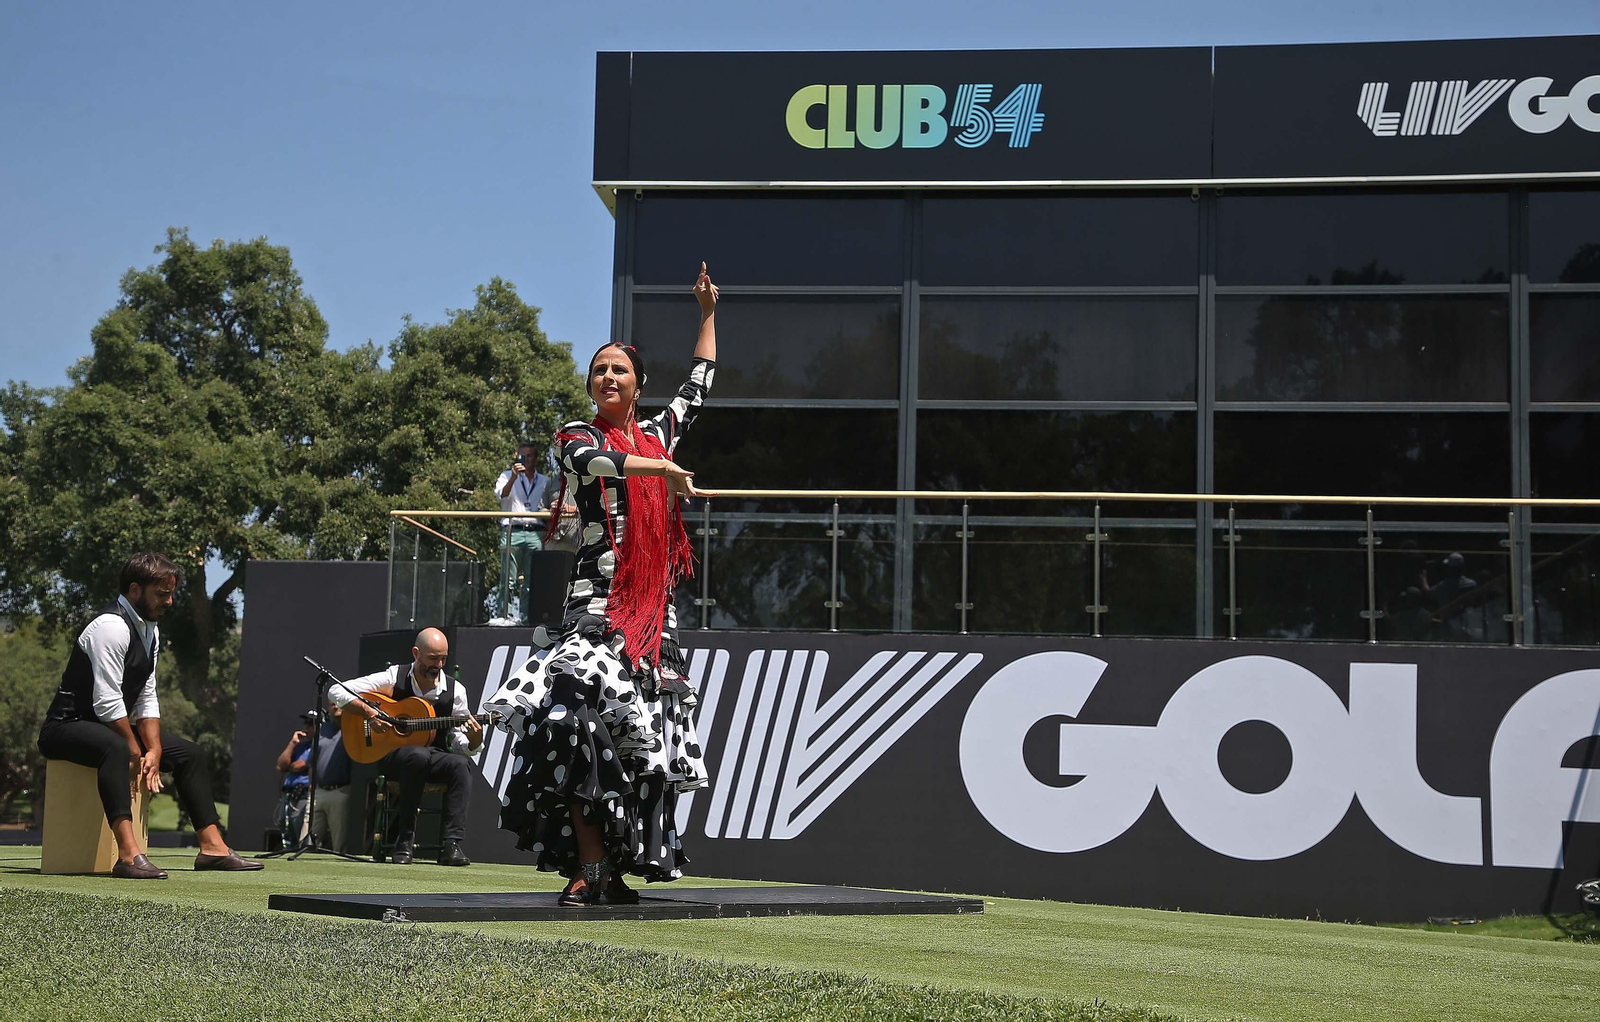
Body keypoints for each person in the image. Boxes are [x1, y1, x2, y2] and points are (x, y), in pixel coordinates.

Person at [486, 262, 718, 906]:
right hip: (594, 608)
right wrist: (665, 470)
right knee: (568, 712)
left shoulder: (658, 432)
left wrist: (706, 314)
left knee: (639, 739)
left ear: (638, 385)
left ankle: (608, 866)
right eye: (600, 369)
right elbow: (602, 464)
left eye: (620, 369)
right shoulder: (575, 438)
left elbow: (700, 382)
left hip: (652, 617)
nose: (608, 376)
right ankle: (587, 860)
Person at [37, 553, 263, 879]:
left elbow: (146, 695)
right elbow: (107, 702)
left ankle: (213, 848)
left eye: (171, 594)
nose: (169, 601)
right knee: (116, 748)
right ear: (134, 590)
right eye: (161, 594)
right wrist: (134, 748)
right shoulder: (110, 627)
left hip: (104, 726)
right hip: (64, 727)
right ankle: (128, 855)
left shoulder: (151, 632)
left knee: (189, 754)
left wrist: (154, 748)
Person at [330, 627, 483, 866]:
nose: (440, 664)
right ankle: (404, 839)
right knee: (416, 755)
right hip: (395, 757)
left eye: (443, 658)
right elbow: (336, 691)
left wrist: (475, 741)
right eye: (433, 658)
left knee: (461, 764)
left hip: (435, 756)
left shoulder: (456, 691)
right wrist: (370, 713)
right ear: (416, 653)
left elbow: (458, 742)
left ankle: (451, 844)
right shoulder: (394, 676)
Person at [496, 441, 550, 620]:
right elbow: (502, 496)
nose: (525, 459)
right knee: (508, 580)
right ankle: (505, 617)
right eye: (522, 455)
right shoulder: (506, 476)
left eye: (529, 455)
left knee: (531, 581)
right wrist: (513, 477)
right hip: (513, 530)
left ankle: (528, 619)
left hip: (536, 532)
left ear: (536, 458)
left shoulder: (544, 481)